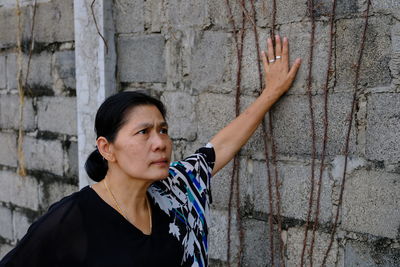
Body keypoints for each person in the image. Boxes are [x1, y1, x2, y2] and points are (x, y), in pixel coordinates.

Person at [0, 35, 301, 267]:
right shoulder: (72, 219)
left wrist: (271, 93)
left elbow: (218, 147)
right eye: (143, 132)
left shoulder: (174, 189)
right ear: (107, 148)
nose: (160, 143)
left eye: (163, 130)